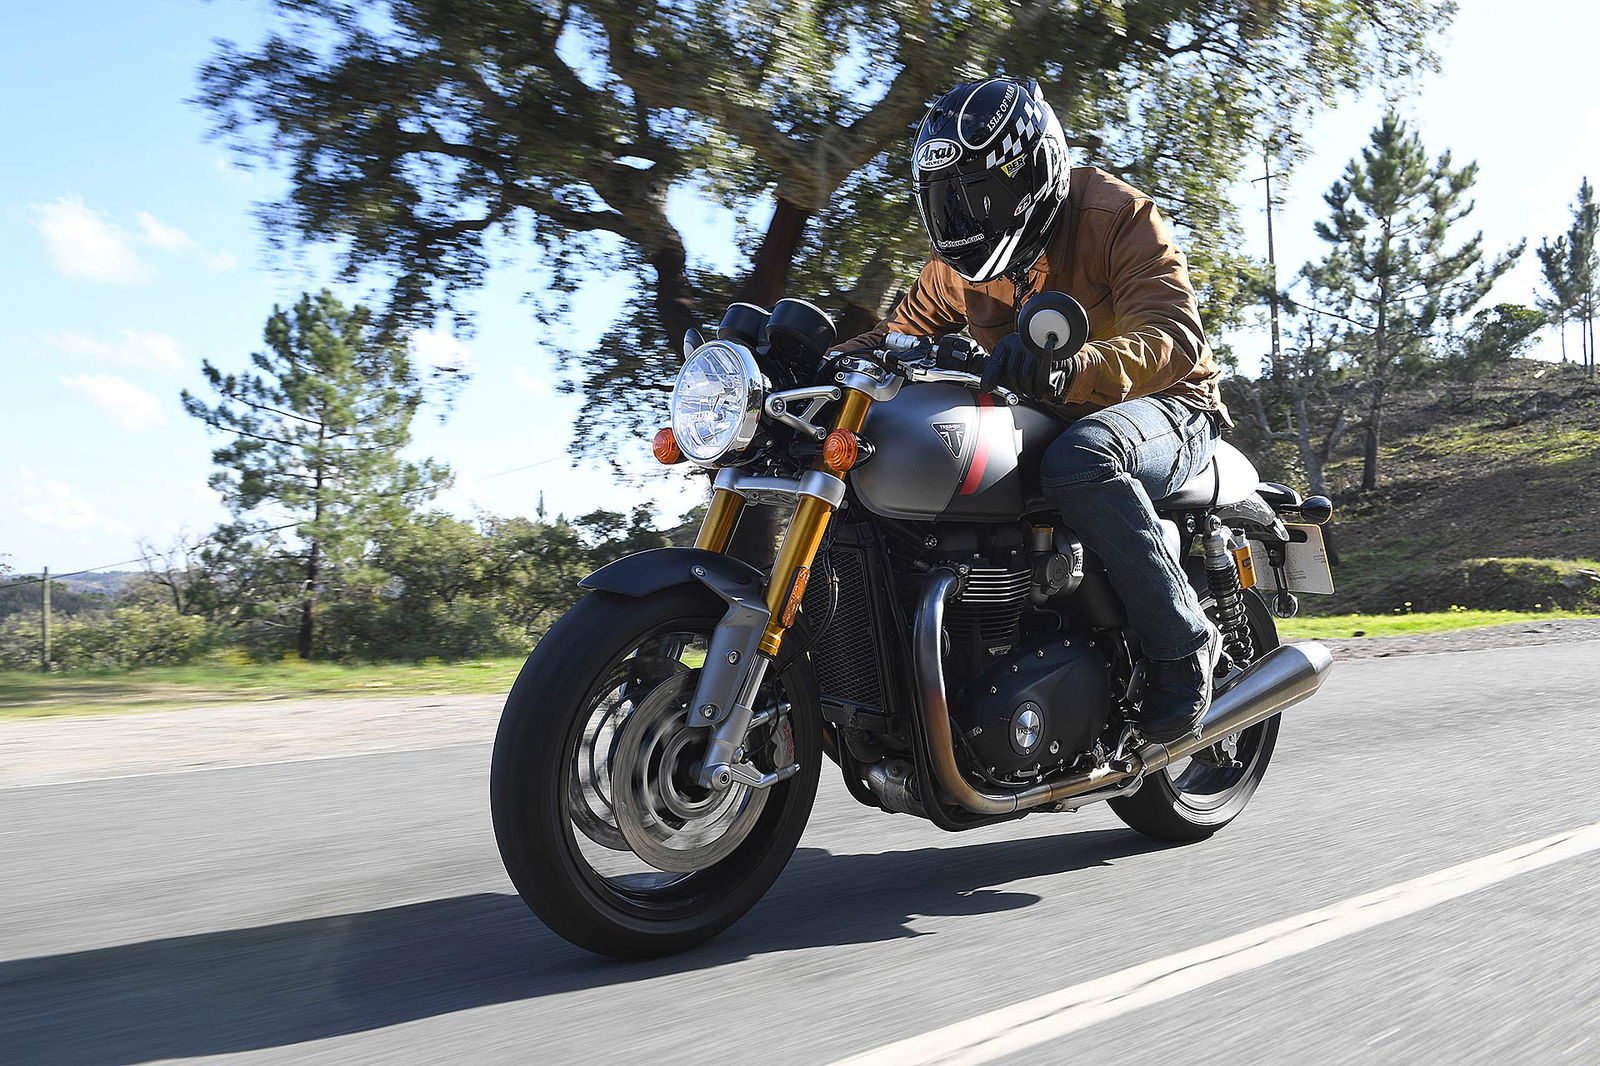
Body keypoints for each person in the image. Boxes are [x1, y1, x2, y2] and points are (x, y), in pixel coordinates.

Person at [835, 76, 1229, 744]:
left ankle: (1184, 646)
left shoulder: (1116, 215)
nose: (961, 218)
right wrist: (812, 355)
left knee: (1084, 458)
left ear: (1030, 176)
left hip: (1165, 403)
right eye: (945, 200)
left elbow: (1172, 337)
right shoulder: (956, 268)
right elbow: (899, 336)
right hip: (1046, 408)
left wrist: (1075, 366)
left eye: (975, 195)